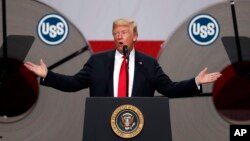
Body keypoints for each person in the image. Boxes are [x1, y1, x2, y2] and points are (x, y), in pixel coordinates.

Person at [24, 18, 221, 98]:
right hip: (103, 125)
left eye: (124, 32)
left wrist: (196, 81)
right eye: (116, 33)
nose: (119, 36)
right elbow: (74, 83)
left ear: (135, 37)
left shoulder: (149, 63)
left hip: (140, 124)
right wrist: (47, 75)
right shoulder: (97, 61)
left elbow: (169, 89)